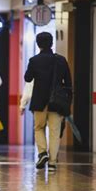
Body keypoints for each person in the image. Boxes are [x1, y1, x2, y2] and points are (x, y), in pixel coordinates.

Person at [24, 32, 72, 172]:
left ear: (38, 44)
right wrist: (68, 102)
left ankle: (43, 153)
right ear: (52, 43)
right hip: (57, 102)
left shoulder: (34, 60)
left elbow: (27, 78)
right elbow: (68, 83)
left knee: (38, 128)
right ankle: (52, 163)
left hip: (39, 101)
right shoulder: (61, 60)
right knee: (54, 132)